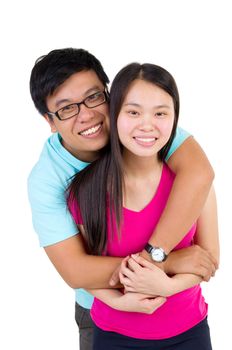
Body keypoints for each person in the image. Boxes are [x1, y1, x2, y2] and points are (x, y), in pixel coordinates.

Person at [28, 48, 216, 350]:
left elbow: (200, 174)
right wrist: (169, 261)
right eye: (66, 108)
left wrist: (157, 261)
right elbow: (75, 270)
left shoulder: (141, 130)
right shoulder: (50, 180)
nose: (87, 115)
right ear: (49, 120)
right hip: (101, 306)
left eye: (93, 97)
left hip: (182, 318)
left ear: (110, 95)